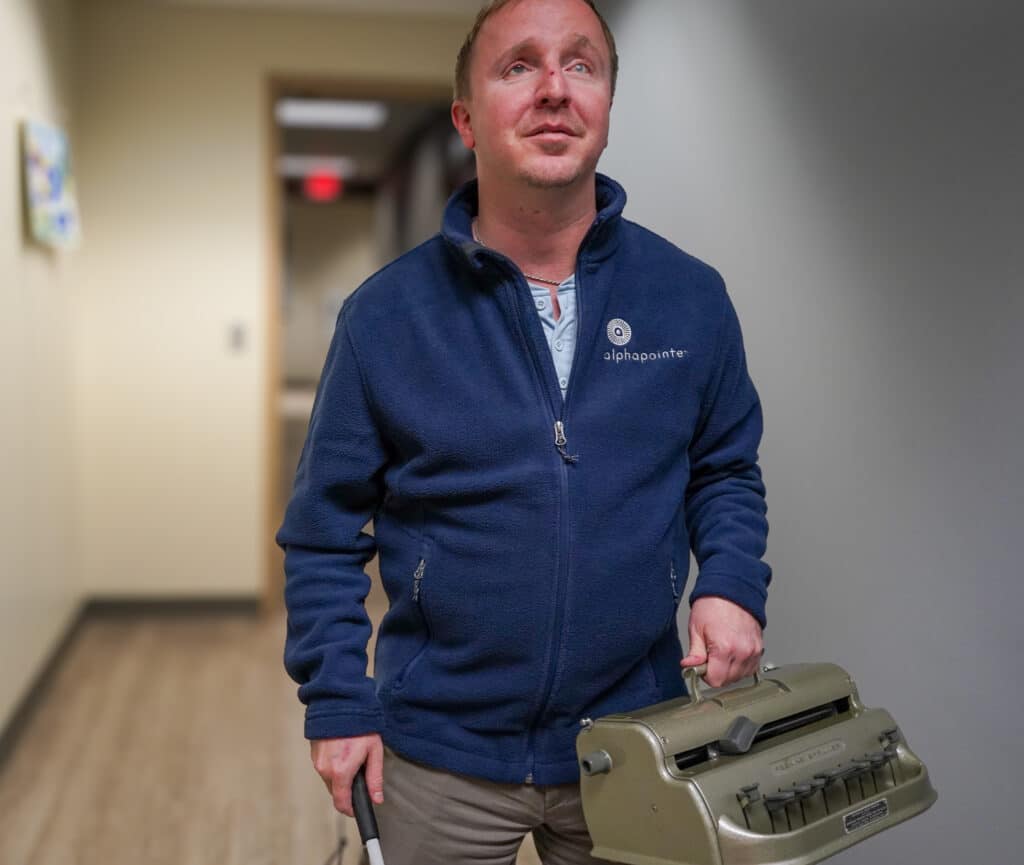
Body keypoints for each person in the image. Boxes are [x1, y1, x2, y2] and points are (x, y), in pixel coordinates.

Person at [277, 0, 770, 861]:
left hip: (634, 741)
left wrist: (729, 582)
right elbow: (323, 533)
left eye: (581, 65)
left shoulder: (690, 298)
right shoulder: (385, 317)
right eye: (518, 66)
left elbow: (724, 468)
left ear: (607, 105)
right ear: (466, 119)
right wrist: (338, 697)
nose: (554, 89)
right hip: (440, 750)